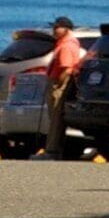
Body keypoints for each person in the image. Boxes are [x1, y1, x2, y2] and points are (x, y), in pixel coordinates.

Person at [39, 17, 86, 157]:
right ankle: (53, 149)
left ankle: (52, 150)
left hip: (59, 83)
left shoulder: (67, 45)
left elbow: (67, 69)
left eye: (56, 28)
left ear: (66, 29)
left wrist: (58, 84)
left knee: (56, 120)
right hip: (56, 82)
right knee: (55, 119)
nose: (53, 30)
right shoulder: (63, 43)